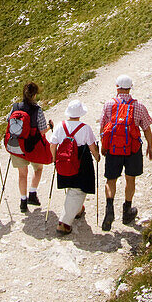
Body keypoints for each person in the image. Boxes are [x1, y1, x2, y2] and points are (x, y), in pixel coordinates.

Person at [100, 75, 152, 231]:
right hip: (132, 149)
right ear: (130, 87)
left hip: (113, 149)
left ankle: (109, 210)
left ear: (117, 86)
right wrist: (150, 146)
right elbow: (146, 128)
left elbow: (103, 126)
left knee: (111, 180)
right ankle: (127, 211)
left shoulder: (109, 104)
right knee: (130, 179)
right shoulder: (139, 106)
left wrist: (104, 146)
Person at [51, 100, 100, 235]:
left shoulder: (60, 126)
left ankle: (77, 210)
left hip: (63, 160)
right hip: (81, 161)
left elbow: (53, 144)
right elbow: (91, 146)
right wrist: (97, 156)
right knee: (78, 189)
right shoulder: (85, 128)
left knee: (70, 185)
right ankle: (64, 223)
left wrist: (54, 160)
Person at [5, 81, 53, 213]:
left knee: (22, 174)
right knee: (38, 169)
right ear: (35, 94)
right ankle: (32, 193)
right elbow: (42, 130)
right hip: (32, 146)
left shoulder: (15, 107)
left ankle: (23, 201)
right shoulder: (37, 110)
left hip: (16, 146)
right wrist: (50, 126)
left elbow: (8, 121)